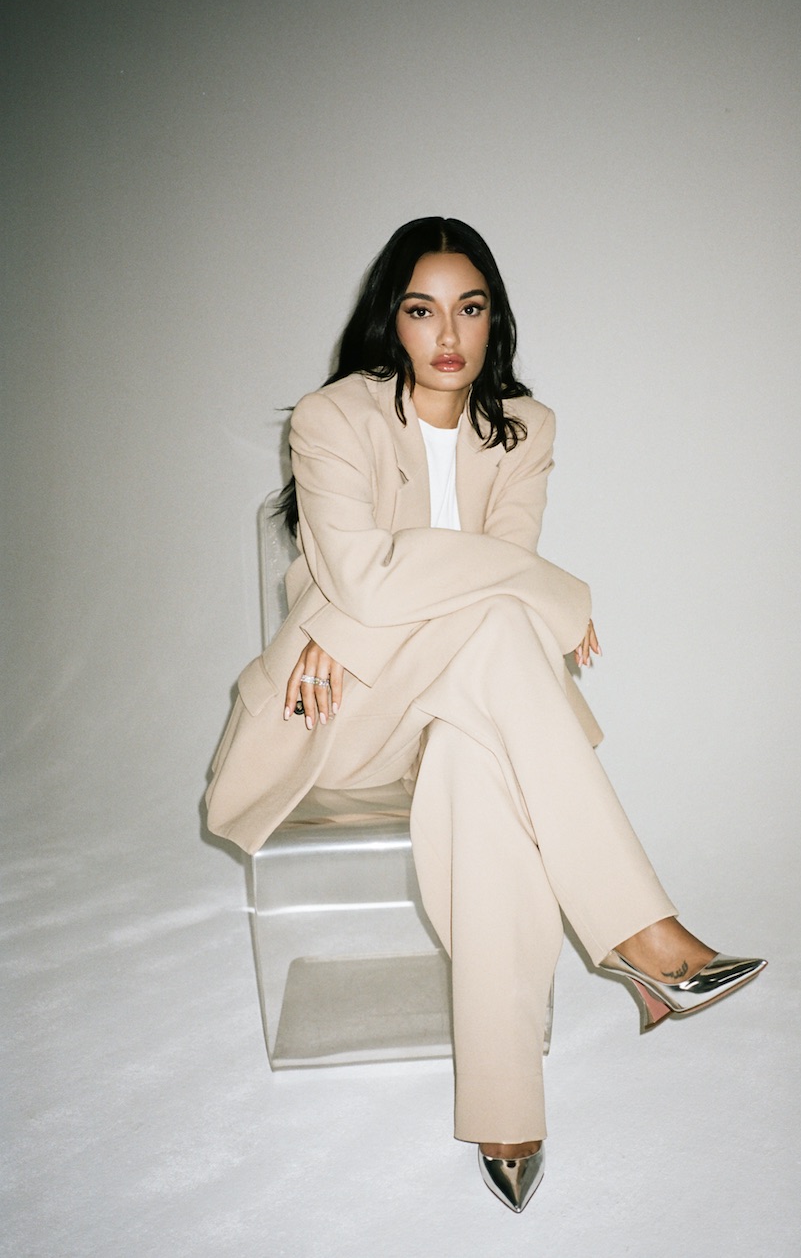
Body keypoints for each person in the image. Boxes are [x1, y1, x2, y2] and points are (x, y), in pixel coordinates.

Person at [206, 216, 766, 1213]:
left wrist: (386, 598)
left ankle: (510, 1109)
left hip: (464, 704)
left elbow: (439, 582)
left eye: (469, 308)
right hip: (339, 711)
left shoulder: (523, 427)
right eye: (422, 310)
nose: (447, 333)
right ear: (392, 320)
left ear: (492, 318)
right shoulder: (332, 417)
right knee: (507, 617)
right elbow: (383, 582)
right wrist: (548, 591)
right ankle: (643, 936)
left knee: (480, 755)